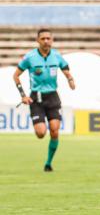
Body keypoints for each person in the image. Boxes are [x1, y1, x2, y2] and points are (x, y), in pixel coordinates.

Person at [13, 28, 75, 172]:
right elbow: (15, 76)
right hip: (36, 97)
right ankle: (39, 125)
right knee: (41, 133)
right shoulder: (30, 57)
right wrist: (23, 95)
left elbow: (66, 71)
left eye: (49, 38)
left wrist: (70, 79)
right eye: (43, 39)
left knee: (54, 131)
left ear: (52, 40)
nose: (46, 41)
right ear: (38, 41)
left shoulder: (57, 56)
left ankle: (48, 163)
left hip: (53, 97)